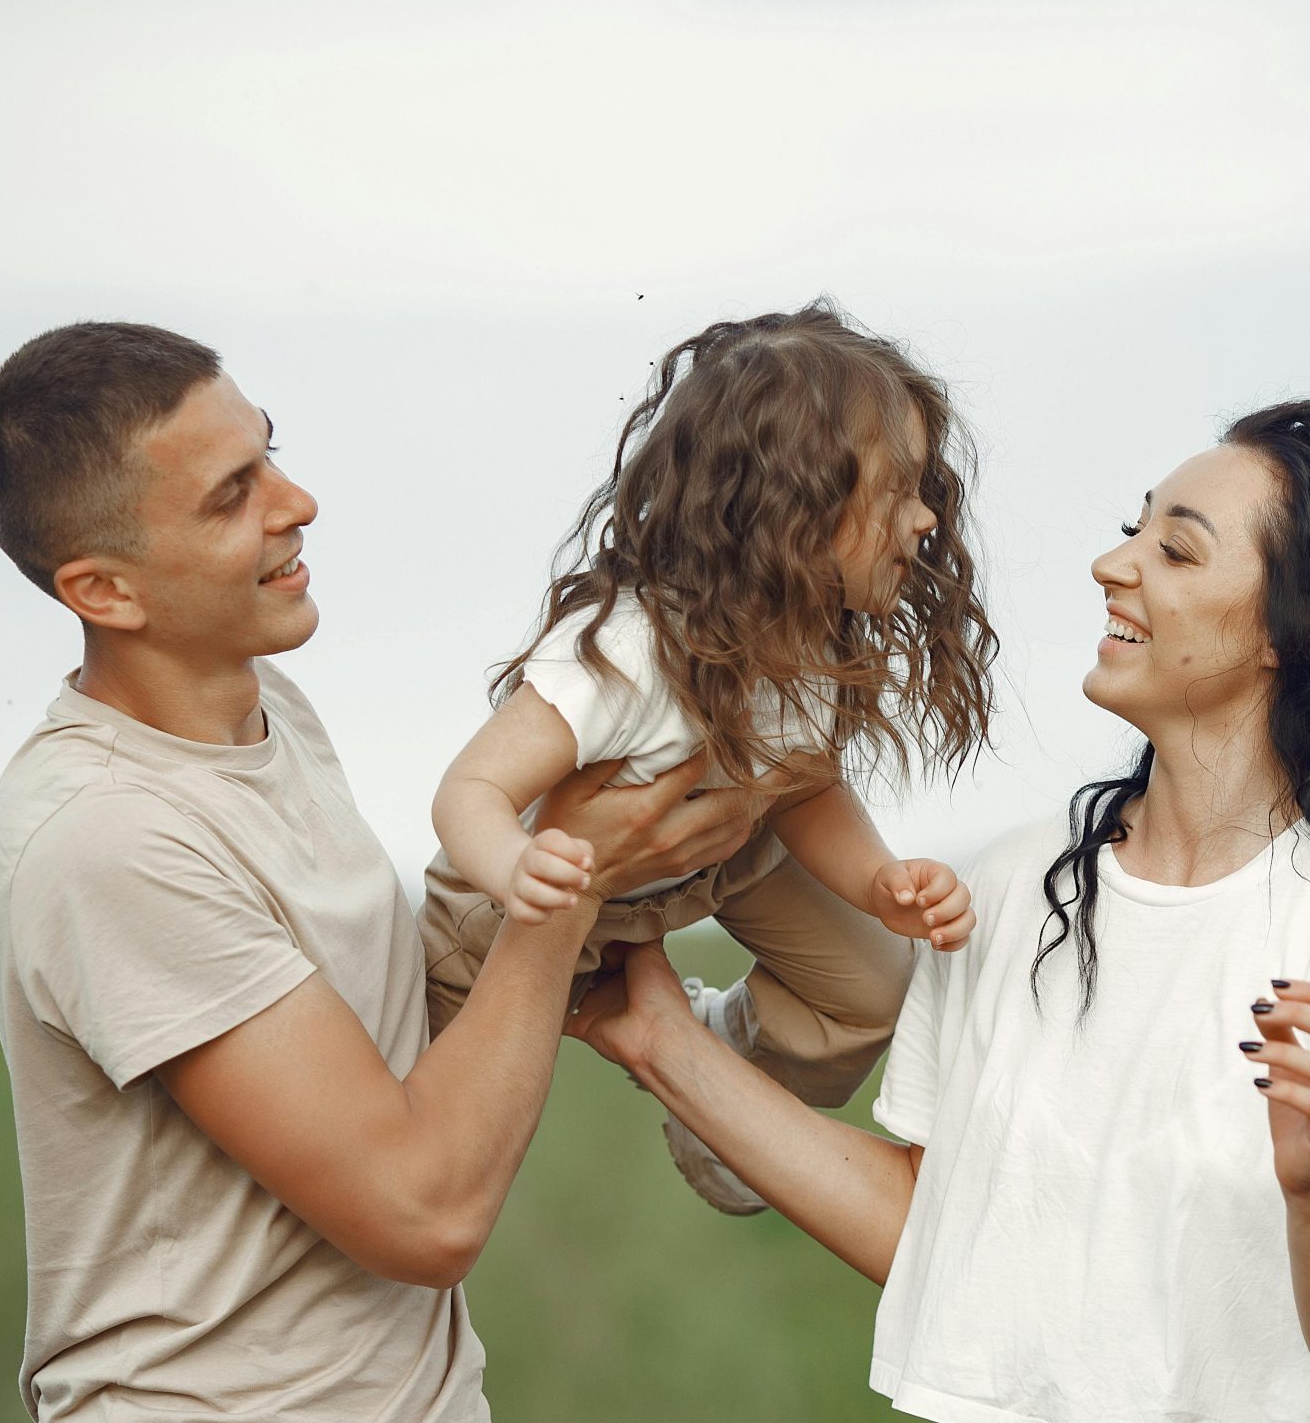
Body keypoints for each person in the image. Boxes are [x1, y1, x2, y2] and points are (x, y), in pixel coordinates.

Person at [568, 400, 1310, 1423]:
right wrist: (653, 1030)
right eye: (1132, 532)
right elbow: (933, 1233)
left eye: (1175, 550)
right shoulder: (1009, 892)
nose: (1112, 564)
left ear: (1298, 627)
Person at [0, 321, 769, 1423]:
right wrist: (558, 887)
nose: (298, 502)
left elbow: (402, 1034)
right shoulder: (105, 835)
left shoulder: (276, 714)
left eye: (270, 456)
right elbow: (422, 1209)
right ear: (103, 591)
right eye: (235, 495)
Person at [421, 302, 996, 1214]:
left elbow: (804, 789)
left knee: (878, 984)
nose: (927, 517)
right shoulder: (629, 645)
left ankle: (717, 1075)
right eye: (900, 490)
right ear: (794, 503)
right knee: (441, 1132)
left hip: (711, 857)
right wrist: (521, 867)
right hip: (517, 905)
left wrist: (880, 881)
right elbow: (472, 788)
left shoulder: (811, 639)